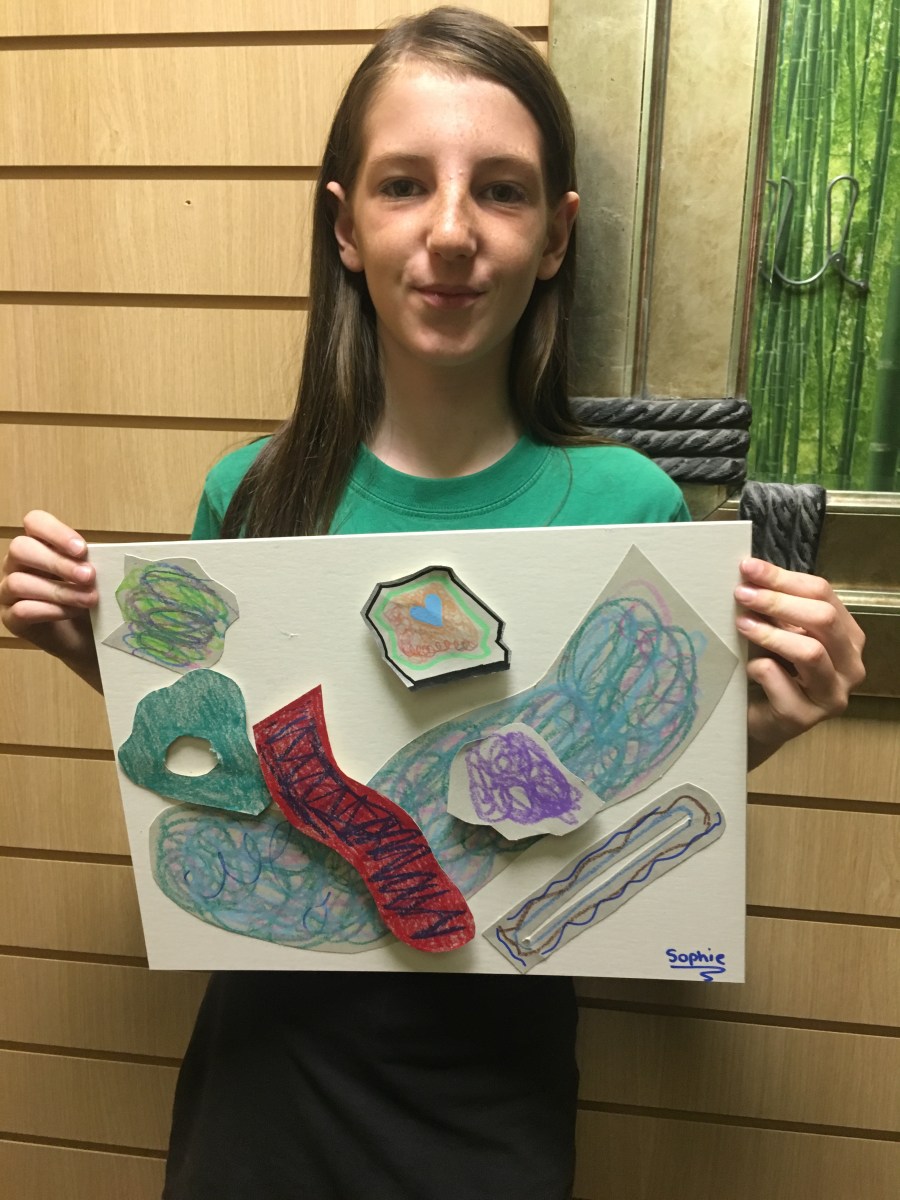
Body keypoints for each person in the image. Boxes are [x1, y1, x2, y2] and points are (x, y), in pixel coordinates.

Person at [0, 8, 865, 1199]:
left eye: (500, 191)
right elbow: (234, 779)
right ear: (343, 225)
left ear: (556, 236)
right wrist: (99, 653)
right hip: (264, 1078)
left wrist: (753, 725)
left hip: (492, 1086)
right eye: (404, 184)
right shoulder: (248, 492)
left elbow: (614, 783)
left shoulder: (635, 506)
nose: (450, 232)